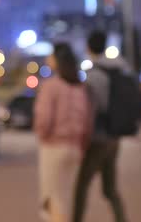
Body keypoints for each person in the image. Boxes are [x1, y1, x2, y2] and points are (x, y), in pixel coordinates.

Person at [33, 43, 92, 222]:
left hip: (53, 147)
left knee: (51, 197)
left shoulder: (51, 86)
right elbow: (87, 120)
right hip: (75, 148)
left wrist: (42, 135)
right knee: (66, 196)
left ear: (57, 61)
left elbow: (44, 118)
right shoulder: (80, 87)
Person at [73, 31, 127, 222]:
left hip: (98, 137)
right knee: (110, 188)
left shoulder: (94, 75)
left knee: (81, 186)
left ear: (88, 47)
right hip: (115, 136)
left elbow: (93, 108)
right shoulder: (119, 68)